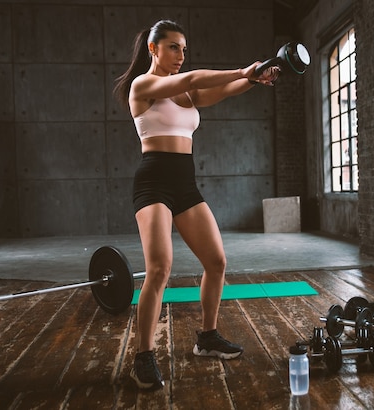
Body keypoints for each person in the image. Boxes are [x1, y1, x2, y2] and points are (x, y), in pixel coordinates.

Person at [113, 19, 279, 391]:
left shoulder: (187, 95)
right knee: (159, 268)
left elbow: (221, 90)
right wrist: (242, 70)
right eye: (173, 47)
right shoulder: (144, 85)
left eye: (184, 49)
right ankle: (144, 355)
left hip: (184, 182)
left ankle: (207, 337)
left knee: (217, 262)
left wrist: (253, 79)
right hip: (153, 180)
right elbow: (192, 80)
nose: (181, 55)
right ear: (154, 48)